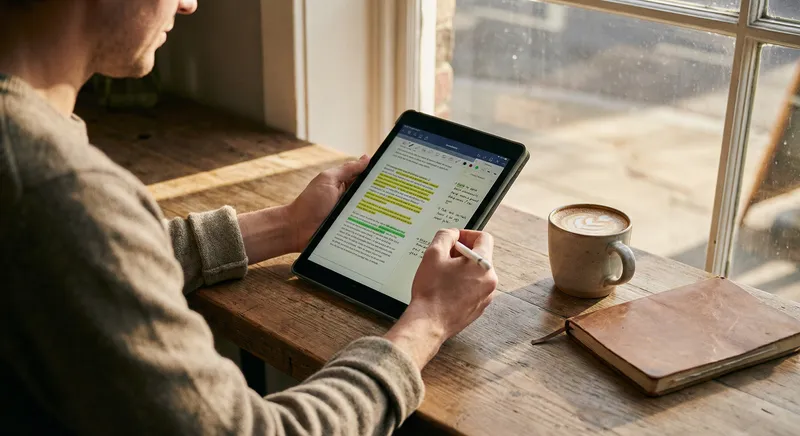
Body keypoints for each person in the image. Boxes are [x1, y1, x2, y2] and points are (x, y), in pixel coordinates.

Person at [0, 1, 499, 434]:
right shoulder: (57, 188)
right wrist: (427, 324)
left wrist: (288, 225)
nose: (188, 4)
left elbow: (99, 257)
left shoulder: (33, 161)